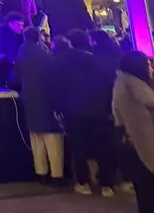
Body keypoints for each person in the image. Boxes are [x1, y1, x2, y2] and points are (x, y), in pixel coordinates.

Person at [56, 29, 117, 196]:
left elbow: (59, 89)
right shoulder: (99, 62)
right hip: (100, 111)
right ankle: (106, 184)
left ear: (70, 42)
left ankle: (84, 182)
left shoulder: (62, 62)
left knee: (79, 149)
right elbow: (109, 86)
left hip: (74, 112)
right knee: (103, 149)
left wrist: (59, 109)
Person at [14, 27, 64, 185]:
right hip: (46, 102)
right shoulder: (45, 56)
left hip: (30, 102)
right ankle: (57, 175)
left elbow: (15, 78)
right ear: (38, 38)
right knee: (53, 142)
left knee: (37, 141)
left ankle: (41, 173)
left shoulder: (21, 55)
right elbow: (55, 79)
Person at [113, 50, 154, 212]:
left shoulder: (126, 86)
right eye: (147, 64)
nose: (150, 67)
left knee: (145, 195)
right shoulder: (134, 93)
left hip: (136, 149)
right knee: (147, 194)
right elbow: (142, 130)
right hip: (144, 150)